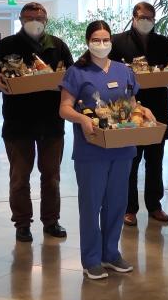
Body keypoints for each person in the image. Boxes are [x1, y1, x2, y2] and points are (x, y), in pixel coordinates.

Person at [59, 20, 155, 280]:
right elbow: (64, 108)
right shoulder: (77, 72)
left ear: (111, 41)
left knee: (116, 204)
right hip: (92, 150)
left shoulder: (124, 70)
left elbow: (132, 102)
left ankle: (111, 253)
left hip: (122, 147)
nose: (101, 44)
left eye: (105, 39)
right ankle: (91, 259)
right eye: (96, 40)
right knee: (91, 205)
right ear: (88, 42)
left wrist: (143, 109)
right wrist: (82, 118)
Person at [0, 2, 74, 243]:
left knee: (51, 177)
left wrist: (66, 86)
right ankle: (22, 223)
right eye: (29, 18)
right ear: (20, 20)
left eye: (39, 18)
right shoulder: (6, 46)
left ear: (46, 20)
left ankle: (51, 221)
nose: (34, 22)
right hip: (18, 124)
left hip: (51, 124)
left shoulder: (58, 46)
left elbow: (73, 75)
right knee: (19, 177)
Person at [110, 1, 168, 227]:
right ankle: (129, 208)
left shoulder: (165, 43)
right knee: (130, 161)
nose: (146, 21)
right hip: (129, 109)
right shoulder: (117, 41)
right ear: (133, 17)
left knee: (155, 161)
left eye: (150, 18)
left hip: (157, 110)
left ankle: (155, 205)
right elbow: (107, 71)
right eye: (142, 17)